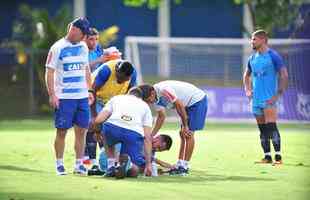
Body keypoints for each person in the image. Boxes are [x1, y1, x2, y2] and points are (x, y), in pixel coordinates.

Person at [45, 17, 95, 175]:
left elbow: (86, 69)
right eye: (83, 33)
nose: (84, 37)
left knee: (82, 131)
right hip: (65, 97)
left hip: (81, 97)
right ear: (73, 29)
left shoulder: (83, 47)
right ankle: (59, 164)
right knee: (62, 131)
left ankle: (79, 164)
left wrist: (90, 90)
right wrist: (52, 94)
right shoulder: (57, 48)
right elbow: (49, 72)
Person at [142, 81, 208, 175]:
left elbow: (179, 105)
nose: (149, 103)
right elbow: (161, 117)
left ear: (152, 93)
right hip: (185, 105)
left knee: (189, 134)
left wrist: (185, 126)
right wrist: (151, 135)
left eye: (148, 100)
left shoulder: (164, 90)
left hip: (196, 101)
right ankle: (180, 164)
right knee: (182, 134)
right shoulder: (155, 98)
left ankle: (185, 166)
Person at [243, 29, 288, 165]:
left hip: (269, 99)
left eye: (254, 39)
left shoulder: (273, 56)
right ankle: (267, 157)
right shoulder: (252, 58)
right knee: (262, 129)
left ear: (263, 40)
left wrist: (278, 94)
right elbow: (246, 75)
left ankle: (278, 158)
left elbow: (284, 75)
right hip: (256, 100)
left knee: (271, 127)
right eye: (252, 39)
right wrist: (247, 90)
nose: (252, 42)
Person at [85, 56, 137, 170]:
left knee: (109, 129)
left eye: (125, 80)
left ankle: (107, 159)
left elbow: (130, 95)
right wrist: (94, 115)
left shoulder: (132, 75)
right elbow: (92, 91)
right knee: (93, 125)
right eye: (120, 78)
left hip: (114, 101)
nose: (121, 81)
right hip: (97, 98)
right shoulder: (107, 71)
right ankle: (91, 161)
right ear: (117, 71)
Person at [93, 86, 154, 178]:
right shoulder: (145, 107)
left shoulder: (116, 98)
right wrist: (148, 164)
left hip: (113, 127)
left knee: (108, 137)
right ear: (140, 98)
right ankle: (128, 167)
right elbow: (147, 137)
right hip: (133, 133)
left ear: (128, 93)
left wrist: (97, 133)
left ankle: (111, 166)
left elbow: (98, 120)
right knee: (135, 170)